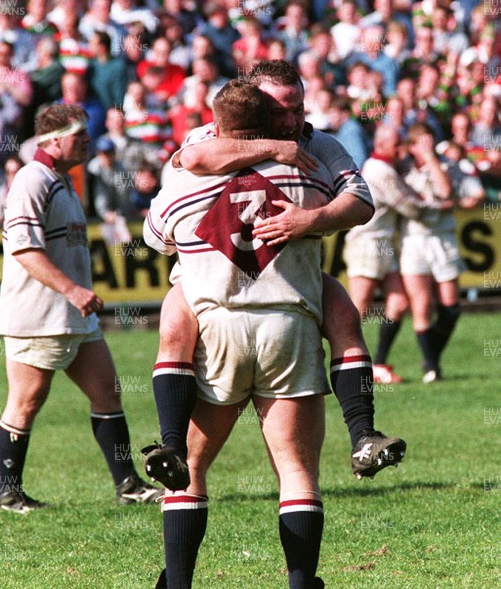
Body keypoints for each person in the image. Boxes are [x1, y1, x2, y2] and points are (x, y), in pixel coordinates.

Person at [143, 60, 406, 492]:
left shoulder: (318, 144)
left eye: (298, 108)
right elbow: (190, 156)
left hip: (286, 282)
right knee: (174, 323)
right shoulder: (209, 137)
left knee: (342, 312)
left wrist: (311, 219)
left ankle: (363, 436)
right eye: (279, 110)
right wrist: (272, 150)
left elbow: (361, 200)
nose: (291, 120)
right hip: (216, 284)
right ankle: (171, 445)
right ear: (251, 106)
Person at [145, 79, 328, 589]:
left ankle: (177, 581)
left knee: (191, 465)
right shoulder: (307, 172)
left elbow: (156, 239)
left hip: (217, 328)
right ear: (273, 120)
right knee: (295, 469)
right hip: (286, 325)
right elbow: (352, 206)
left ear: (217, 126)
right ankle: (300, 581)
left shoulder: (187, 173)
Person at [0, 103, 162, 513]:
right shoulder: (31, 180)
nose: (86, 141)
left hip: (72, 315)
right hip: (38, 315)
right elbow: (24, 249)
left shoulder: (62, 181)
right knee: (27, 401)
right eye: (79, 135)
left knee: (107, 391)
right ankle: (9, 493)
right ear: (53, 140)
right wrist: (72, 289)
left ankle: (128, 484)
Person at [344, 124, 448, 384]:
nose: (401, 150)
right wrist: (439, 205)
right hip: (367, 243)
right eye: (396, 145)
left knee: (399, 302)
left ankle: (378, 364)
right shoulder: (379, 170)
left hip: (384, 244)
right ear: (380, 144)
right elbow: (409, 206)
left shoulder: (386, 167)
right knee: (358, 306)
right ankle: (347, 365)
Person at [399, 123, 465, 383]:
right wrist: (441, 205)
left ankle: (431, 355)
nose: (427, 147)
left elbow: (447, 192)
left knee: (451, 307)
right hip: (414, 241)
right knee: (422, 303)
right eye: (421, 143)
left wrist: (431, 160)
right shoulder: (403, 170)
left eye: (430, 141)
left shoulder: (447, 166)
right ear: (411, 146)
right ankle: (433, 367)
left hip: (442, 239)